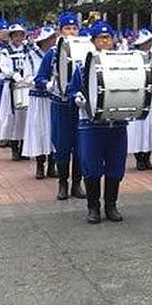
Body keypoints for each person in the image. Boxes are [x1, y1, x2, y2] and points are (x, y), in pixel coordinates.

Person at [68, 20, 127, 224]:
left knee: (116, 166)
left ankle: (111, 205)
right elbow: (71, 90)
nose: (105, 41)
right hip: (91, 125)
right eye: (101, 38)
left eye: (108, 37)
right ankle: (93, 207)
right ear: (93, 41)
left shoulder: (121, 63)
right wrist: (78, 98)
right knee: (91, 167)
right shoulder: (82, 66)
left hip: (116, 123)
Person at [51, 12, 86, 201]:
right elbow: (40, 77)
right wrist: (51, 84)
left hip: (78, 106)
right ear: (60, 31)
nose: (71, 32)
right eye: (67, 28)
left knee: (80, 145)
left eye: (74, 28)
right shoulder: (54, 52)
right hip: (61, 105)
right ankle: (62, 183)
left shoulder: (86, 50)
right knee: (62, 145)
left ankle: (77, 184)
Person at [23, 26, 58, 180]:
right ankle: (39, 165)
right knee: (39, 130)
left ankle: (52, 164)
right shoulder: (31, 56)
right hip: (38, 98)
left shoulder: (58, 55)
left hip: (52, 97)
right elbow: (27, 77)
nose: (53, 40)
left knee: (53, 130)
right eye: (50, 38)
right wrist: (41, 83)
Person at [127, 29, 152, 171]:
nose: (149, 44)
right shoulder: (133, 56)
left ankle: (147, 156)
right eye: (147, 41)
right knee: (138, 126)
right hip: (138, 94)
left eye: (150, 41)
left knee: (151, 125)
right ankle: (139, 158)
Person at [0, 22, 29, 161]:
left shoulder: (28, 49)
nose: (18, 37)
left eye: (21, 34)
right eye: (15, 35)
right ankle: (14, 146)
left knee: (25, 117)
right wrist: (13, 74)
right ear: (11, 36)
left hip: (26, 85)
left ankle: (24, 146)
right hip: (11, 86)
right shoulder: (5, 51)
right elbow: (3, 66)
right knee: (12, 116)